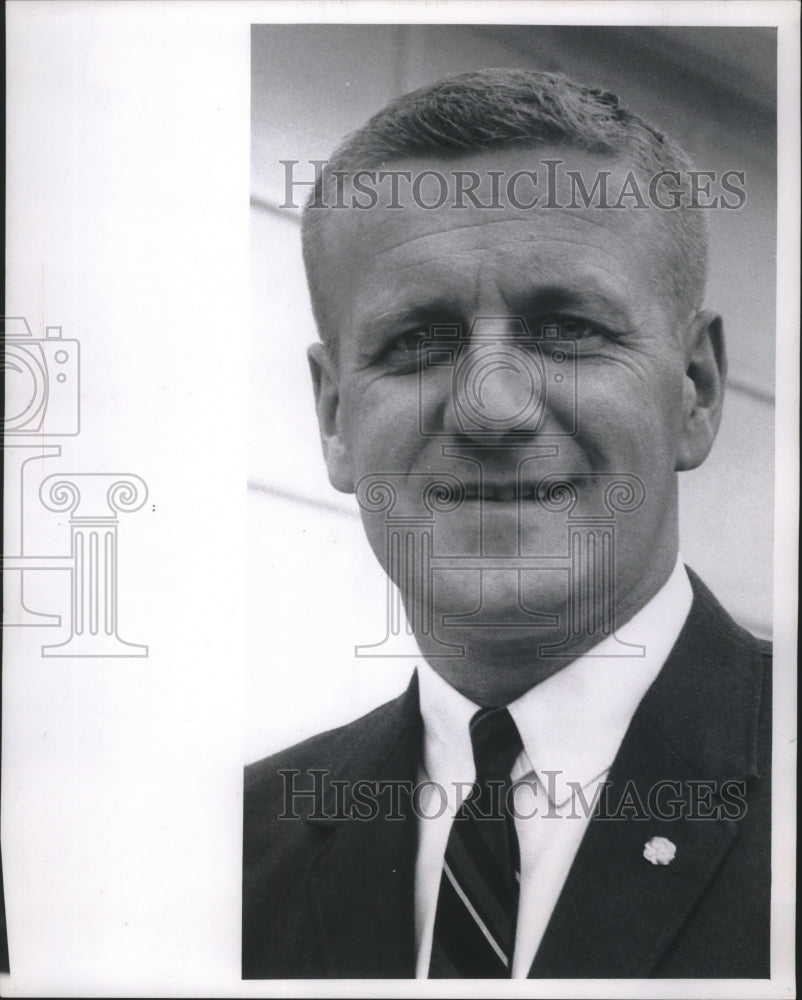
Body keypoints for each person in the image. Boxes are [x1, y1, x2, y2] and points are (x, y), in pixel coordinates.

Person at [243, 69, 771, 979]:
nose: (492, 408)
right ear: (334, 419)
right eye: (418, 342)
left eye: (566, 329)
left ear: (696, 390)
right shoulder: (230, 857)